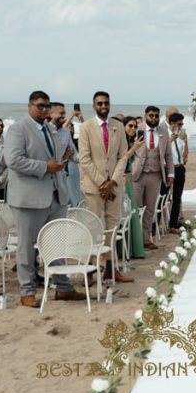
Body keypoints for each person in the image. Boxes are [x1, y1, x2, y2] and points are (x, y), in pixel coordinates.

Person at [5, 91, 84, 307]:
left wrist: (63, 161)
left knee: (57, 242)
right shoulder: (17, 129)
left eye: (47, 106)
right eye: (40, 106)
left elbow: (55, 159)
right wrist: (44, 167)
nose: (44, 110)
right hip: (28, 197)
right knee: (27, 246)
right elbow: (13, 160)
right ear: (29, 105)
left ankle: (63, 287)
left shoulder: (51, 130)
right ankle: (27, 290)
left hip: (56, 194)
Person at [77, 91, 131, 281]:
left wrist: (113, 181)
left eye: (106, 103)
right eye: (99, 104)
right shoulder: (85, 127)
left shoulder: (118, 126)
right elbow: (84, 158)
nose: (103, 107)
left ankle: (111, 268)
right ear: (94, 106)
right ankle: (91, 270)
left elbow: (122, 156)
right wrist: (102, 182)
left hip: (114, 186)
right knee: (93, 227)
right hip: (95, 188)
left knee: (112, 227)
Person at [133, 106, 175, 245]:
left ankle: (146, 238)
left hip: (156, 175)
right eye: (151, 115)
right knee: (136, 209)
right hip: (137, 175)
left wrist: (170, 174)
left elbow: (168, 155)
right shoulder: (137, 128)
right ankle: (135, 241)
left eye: (157, 116)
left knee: (150, 208)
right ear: (145, 115)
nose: (154, 118)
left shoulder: (163, 131)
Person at [120, 116, 145, 259]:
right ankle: (124, 250)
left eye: (135, 126)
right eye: (130, 126)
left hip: (128, 178)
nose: (133, 129)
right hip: (122, 178)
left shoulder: (130, 141)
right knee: (125, 213)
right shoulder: (121, 142)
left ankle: (132, 249)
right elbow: (122, 160)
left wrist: (136, 146)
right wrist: (134, 148)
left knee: (132, 213)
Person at [47, 103, 80, 207]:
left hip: (61, 178)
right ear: (50, 114)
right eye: (61, 113)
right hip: (44, 179)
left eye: (64, 113)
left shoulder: (65, 132)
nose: (64, 116)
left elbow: (75, 156)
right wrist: (65, 157)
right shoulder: (43, 131)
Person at [168, 112, 189, 232]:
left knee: (177, 197)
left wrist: (185, 141)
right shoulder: (166, 135)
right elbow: (162, 150)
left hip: (180, 168)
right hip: (170, 168)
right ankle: (155, 224)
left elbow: (184, 152)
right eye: (178, 124)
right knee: (165, 196)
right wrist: (170, 140)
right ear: (172, 123)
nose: (181, 126)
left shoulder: (181, 135)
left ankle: (173, 224)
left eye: (182, 124)